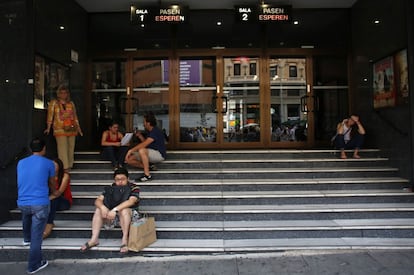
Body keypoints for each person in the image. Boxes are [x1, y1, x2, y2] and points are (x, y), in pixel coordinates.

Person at [17, 138, 60, 274]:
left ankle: (26, 238)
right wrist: (55, 192)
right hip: (40, 202)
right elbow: (52, 182)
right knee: (37, 235)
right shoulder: (48, 163)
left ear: (30, 149)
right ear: (44, 149)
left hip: (22, 201)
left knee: (26, 215)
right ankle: (34, 265)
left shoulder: (21, 162)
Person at [80, 167, 139, 253]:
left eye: (123, 179)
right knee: (98, 210)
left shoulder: (134, 187)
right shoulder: (111, 188)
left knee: (124, 210)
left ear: (128, 179)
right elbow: (98, 200)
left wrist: (115, 210)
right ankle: (94, 239)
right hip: (112, 215)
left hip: (129, 214)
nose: (120, 182)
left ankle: (125, 240)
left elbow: (131, 201)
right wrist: (103, 207)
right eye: (117, 179)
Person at [44, 84, 83, 172]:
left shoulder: (71, 103)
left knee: (70, 147)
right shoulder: (53, 103)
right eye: (61, 93)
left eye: (65, 93)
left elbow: (75, 116)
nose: (63, 94)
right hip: (59, 128)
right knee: (62, 148)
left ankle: (69, 165)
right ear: (58, 94)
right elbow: (50, 116)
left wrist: (79, 128)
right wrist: (48, 127)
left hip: (71, 128)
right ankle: (64, 167)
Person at [125, 112, 167, 182]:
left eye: (144, 122)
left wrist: (131, 150)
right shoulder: (150, 132)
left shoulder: (155, 131)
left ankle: (147, 175)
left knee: (142, 150)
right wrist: (140, 136)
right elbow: (146, 142)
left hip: (159, 154)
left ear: (148, 123)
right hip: (150, 152)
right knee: (129, 159)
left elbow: (144, 144)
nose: (143, 124)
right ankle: (150, 167)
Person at [43, 158, 73, 239]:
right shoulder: (48, 175)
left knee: (53, 199)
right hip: (50, 201)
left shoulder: (65, 176)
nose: (52, 167)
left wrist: (46, 199)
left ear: (59, 166)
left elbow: (59, 193)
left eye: (54, 165)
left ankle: (49, 223)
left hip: (64, 201)